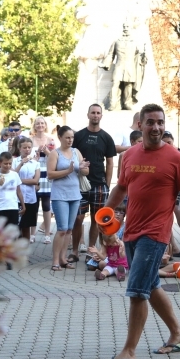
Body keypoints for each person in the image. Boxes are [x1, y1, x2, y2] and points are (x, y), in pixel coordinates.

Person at [102, 104, 180, 359]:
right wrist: (105, 219)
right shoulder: (130, 155)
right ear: (140, 125)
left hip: (156, 234)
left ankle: (129, 350)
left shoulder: (177, 159)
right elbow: (121, 189)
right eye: (150, 122)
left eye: (160, 122)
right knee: (151, 284)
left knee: (136, 291)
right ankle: (178, 334)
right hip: (132, 230)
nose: (156, 127)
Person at [71, 104, 116, 261]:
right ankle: (75, 251)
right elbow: (72, 156)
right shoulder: (79, 136)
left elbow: (110, 162)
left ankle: (91, 250)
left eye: (98, 113)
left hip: (99, 185)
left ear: (101, 116)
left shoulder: (106, 137)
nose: (95, 115)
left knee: (98, 221)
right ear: (88, 115)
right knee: (78, 218)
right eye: (93, 113)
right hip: (80, 185)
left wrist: (107, 184)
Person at [47, 126, 90, 271]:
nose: (70, 140)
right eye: (67, 137)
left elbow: (85, 171)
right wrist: (68, 171)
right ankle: (55, 261)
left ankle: (63, 259)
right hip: (60, 195)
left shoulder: (76, 152)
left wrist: (83, 167)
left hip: (74, 195)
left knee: (69, 229)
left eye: (72, 137)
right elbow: (50, 175)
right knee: (61, 229)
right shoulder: (55, 153)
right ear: (60, 137)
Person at [30, 116, 56, 242]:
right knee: (34, 204)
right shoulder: (30, 139)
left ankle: (47, 233)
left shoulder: (50, 139)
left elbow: (54, 156)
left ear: (45, 125)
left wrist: (46, 151)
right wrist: (34, 156)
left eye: (42, 123)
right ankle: (32, 233)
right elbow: (28, 155)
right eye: (37, 123)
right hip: (34, 172)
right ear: (34, 126)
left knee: (46, 203)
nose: (40, 125)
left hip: (46, 172)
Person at [13, 138, 40, 243]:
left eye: (29, 147)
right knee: (16, 227)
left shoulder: (35, 163)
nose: (27, 150)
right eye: (24, 147)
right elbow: (12, 176)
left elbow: (35, 181)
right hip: (16, 198)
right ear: (20, 148)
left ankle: (24, 254)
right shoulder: (15, 161)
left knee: (26, 227)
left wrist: (19, 180)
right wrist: (21, 164)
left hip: (30, 198)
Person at [0, 152, 24, 228]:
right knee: (1, 233)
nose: (8, 166)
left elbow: (18, 191)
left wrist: (23, 205)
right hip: (0, 208)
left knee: (12, 232)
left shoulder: (14, 175)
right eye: (5, 164)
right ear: (0, 163)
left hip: (13, 207)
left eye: (10, 163)